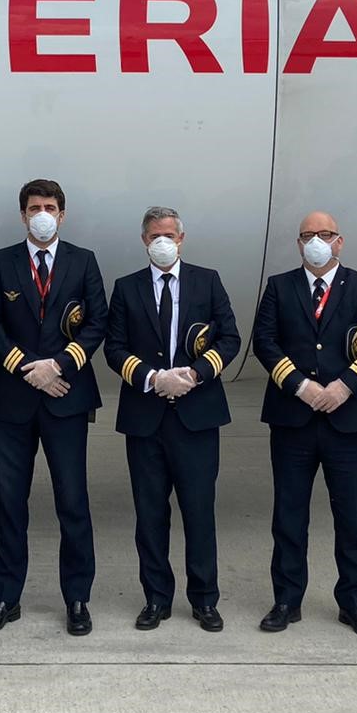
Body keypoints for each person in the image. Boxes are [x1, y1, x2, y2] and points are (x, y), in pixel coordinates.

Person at [251, 211, 357, 638]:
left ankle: (353, 602)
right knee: (289, 514)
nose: (317, 241)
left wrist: (347, 386)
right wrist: (299, 387)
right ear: (298, 243)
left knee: (350, 516)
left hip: (348, 419)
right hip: (293, 418)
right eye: (308, 235)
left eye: (325, 234)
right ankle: (286, 600)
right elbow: (265, 341)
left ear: (340, 241)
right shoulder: (280, 286)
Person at [0, 179, 107, 636]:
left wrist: (59, 366)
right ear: (23, 215)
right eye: (34, 207)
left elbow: (96, 323)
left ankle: (76, 598)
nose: (42, 213)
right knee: (9, 503)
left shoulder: (83, 261)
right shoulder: (0, 262)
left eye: (50, 206)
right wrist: (29, 368)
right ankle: (6, 598)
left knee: (72, 502)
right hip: (13, 399)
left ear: (63, 214)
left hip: (65, 398)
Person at [104, 206, 239, 632]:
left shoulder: (207, 280)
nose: (163, 242)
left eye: (170, 235)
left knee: (199, 512)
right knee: (149, 514)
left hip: (196, 417)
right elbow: (114, 347)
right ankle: (156, 598)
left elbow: (230, 337)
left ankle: (204, 600)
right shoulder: (126, 288)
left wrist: (195, 374)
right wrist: (152, 377)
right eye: (155, 235)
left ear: (182, 239)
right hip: (146, 417)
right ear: (145, 240)